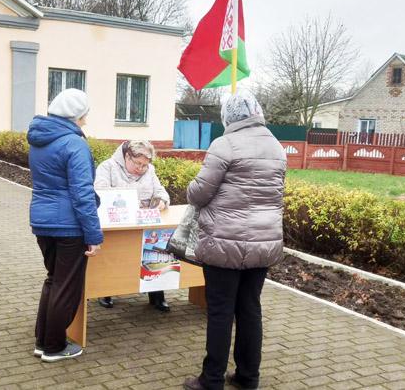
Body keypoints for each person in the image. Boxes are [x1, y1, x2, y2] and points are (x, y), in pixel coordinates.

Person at [183, 90, 287, 390]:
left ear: (228, 115)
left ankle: (211, 379)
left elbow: (198, 194)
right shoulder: (276, 146)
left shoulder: (224, 144)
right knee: (250, 309)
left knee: (220, 312)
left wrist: (192, 184)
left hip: (224, 243)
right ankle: (247, 376)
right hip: (263, 243)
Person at [27, 89, 103, 363]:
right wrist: (93, 235)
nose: (86, 120)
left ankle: (42, 341)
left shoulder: (39, 139)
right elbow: (82, 193)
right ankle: (55, 346)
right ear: (77, 115)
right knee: (65, 286)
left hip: (42, 221)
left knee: (53, 280)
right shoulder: (74, 144)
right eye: (85, 115)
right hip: (69, 226)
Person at [94, 140, 172, 312]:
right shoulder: (107, 167)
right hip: (117, 222)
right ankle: (105, 290)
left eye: (145, 165)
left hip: (145, 222)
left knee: (154, 250)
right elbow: (99, 193)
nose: (141, 168)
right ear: (126, 156)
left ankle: (156, 293)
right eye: (137, 163)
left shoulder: (149, 170)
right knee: (115, 255)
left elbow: (160, 192)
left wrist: (161, 202)